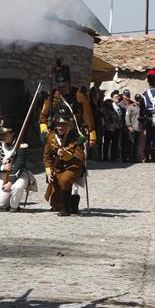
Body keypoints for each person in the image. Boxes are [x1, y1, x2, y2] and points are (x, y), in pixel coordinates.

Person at [39, 61, 95, 213]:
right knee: (54, 167)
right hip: (57, 135)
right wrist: (44, 132)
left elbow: (88, 116)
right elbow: (43, 117)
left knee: (75, 169)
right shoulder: (52, 96)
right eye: (59, 86)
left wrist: (91, 136)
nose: (61, 89)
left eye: (63, 86)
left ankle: (73, 200)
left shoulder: (79, 95)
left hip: (77, 136)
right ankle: (60, 200)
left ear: (69, 83)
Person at [43, 107, 85, 216]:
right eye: (58, 124)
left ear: (68, 124)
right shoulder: (51, 136)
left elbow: (80, 158)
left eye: (63, 124)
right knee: (55, 204)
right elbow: (47, 157)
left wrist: (65, 155)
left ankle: (65, 209)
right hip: (57, 168)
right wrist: (49, 173)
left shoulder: (76, 137)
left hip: (73, 167)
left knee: (64, 180)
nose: (60, 127)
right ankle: (73, 201)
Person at [0, 118, 29, 211]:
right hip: (4, 176)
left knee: (17, 186)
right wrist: (3, 167)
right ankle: (7, 201)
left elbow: (19, 165)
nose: (2, 137)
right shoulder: (0, 145)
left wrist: (10, 182)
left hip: (19, 175)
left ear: (12, 133)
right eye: (1, 134)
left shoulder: (21, 146)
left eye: (4, 134)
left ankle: (14, 206)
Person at [125, 94, 146, 163]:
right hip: (133, 128)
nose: (138, 100)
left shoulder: (142, 107)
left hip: (139, 128)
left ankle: (135, 158)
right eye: (137, 99)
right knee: (131, 144)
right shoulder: (131, 107)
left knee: (136, 144)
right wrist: (129, 126)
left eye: (139, 99)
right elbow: (127, 117)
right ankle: (130, 158)